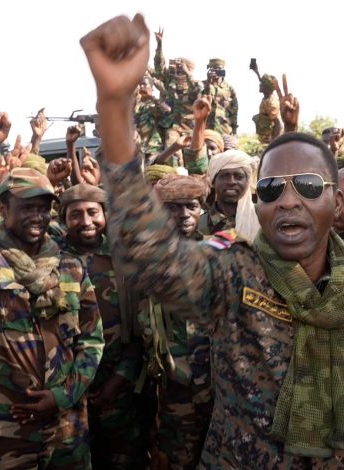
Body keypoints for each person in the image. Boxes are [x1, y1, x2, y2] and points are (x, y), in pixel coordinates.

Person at [80, 14, 344, 468]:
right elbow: (151, 256)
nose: (288, 201)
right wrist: (115, 108)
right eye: (272, 189)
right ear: (258, 205)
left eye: (307, 187)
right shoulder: (233, 273)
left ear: (336, 202)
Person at [0, 118, 104, 469]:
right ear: (3, 209)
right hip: (2, 427)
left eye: (42, 207)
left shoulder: (69, 265)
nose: (37, 216)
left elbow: (91, 340)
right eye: (27, 207)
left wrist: (63, 395)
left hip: (66, 424)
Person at [56, 183, 151, 469]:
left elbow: (140, 329)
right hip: (67, 387)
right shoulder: (50, 258)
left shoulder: (125, 259)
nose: (86, 221)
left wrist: (120, 378)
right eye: (75, 214)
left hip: (117, 386)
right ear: (64, 220)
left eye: (93, 212)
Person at [144, 174, 214, 469]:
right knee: (179, 457)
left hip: (216, 378)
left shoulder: (219, 252)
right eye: (173, 207)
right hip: (176, 381)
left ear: (201, 209)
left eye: (191, 206)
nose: (184, 214)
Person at [198, 149, 260, 241]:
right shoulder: (199, 224)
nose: (231, 182)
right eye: (224, 176)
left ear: (248, 182)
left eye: (238, 177)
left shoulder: (263, 217)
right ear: (213, 182)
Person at [204, 58, 238, 136]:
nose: (215, 71)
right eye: (213, 69)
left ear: (223, 70)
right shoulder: (202, 85)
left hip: (224, 128)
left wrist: (235, 131)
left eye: (218, 69)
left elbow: (234, 111)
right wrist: (208, 81)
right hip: (207, 128)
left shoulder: (230, 89)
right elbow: (203, 95)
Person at [250, 65, 282, 145]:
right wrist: (257, 72)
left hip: (269, 141)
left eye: (262, 84)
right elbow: (265, 82)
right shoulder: (266, 97)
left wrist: (274, 143)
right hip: (265, 141)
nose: (260, 85)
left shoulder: (271, 103)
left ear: (267, 87)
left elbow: (277, 123)